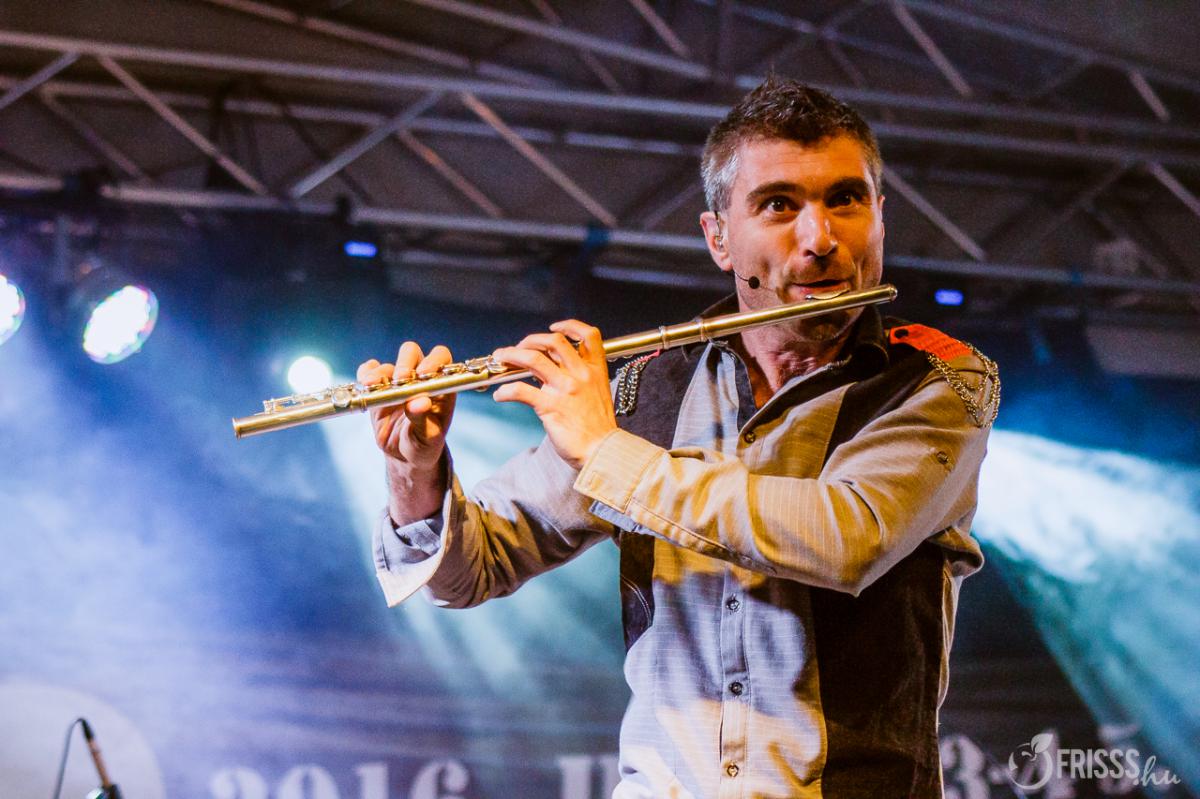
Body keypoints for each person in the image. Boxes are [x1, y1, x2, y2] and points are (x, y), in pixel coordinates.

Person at [358, 77, 999, 798]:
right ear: (718, 238)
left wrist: (607, 454)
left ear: (880, 217)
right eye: (779, 205)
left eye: (845, 200)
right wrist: (415, 471)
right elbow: (470, 572)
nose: (821, 239)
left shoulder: (939, 380)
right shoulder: (647, 388)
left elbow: (847, 536)